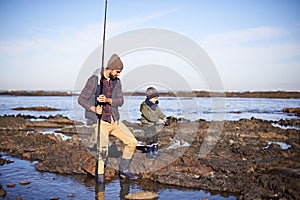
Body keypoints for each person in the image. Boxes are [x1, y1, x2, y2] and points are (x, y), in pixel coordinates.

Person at [78, 54, 139, 183]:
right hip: (100, 123)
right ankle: (100, 178)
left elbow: (120, 101)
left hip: (115, 121)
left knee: (132, 142)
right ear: (110, 69)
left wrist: (108, 100)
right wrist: (93, 108)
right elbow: (81, 99)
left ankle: (124, 170)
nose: (118, 74)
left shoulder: (117, 81)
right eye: (117, 72)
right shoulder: (94, 80)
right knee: (103, 151)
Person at [140, 87, 169, 159]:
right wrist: (159, 121)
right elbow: (149, 117)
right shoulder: (144, 106)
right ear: (149, 97)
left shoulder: (155, 105)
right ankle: (149, 152)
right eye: (154, 98)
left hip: (153, 124)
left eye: (157, 98)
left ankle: (155, 151)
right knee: (149, 138)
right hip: (147, 125)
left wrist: (164, 118)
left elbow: (159, 113)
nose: (156, 100)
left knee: (154, 138)